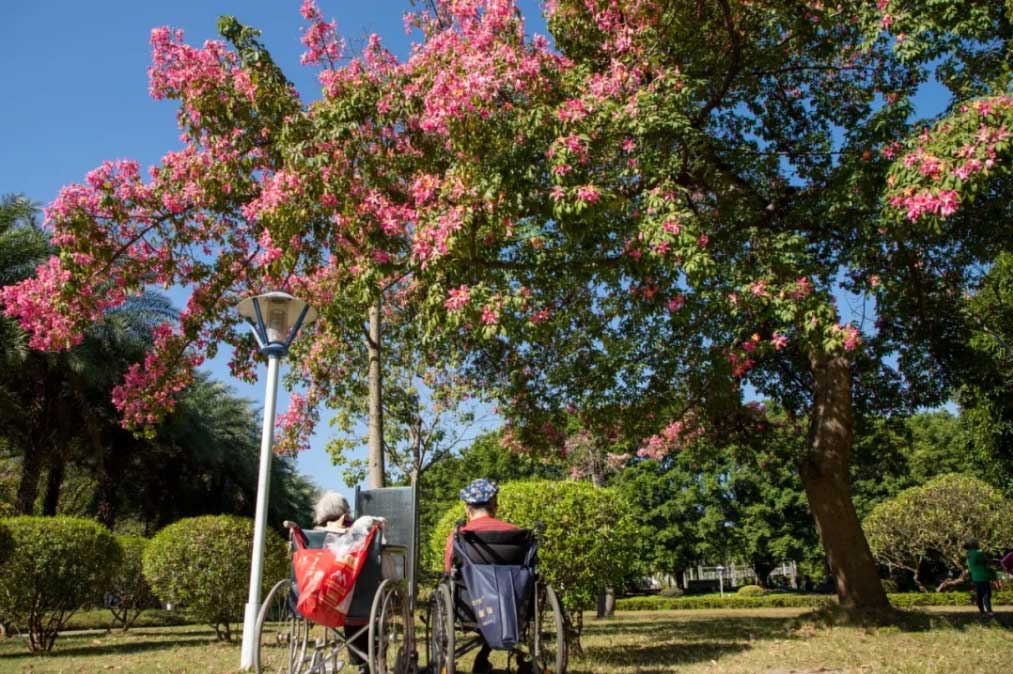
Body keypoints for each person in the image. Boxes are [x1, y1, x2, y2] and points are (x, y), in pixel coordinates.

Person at [444, 479, 520, 674]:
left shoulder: (459, 537)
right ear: (495, 505)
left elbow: (448, 571)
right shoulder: (517, 534)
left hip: (472, 607)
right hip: (512, 605)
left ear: (467, 508)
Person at [312, 491, 368, 674]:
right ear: (345, 510)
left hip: (318, 598)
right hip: (352, 599)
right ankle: (364, 663)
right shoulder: (359, 531)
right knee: (360, 610)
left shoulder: (312, 536)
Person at [965, 539, 995, 617]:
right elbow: (986, 561)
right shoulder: (979, 553)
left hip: (975, 576)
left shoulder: (968, 554)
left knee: (979, 594)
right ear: (976, 545)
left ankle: (982, 612)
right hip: (983, 576)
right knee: (986, 594)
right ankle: (989, 611)